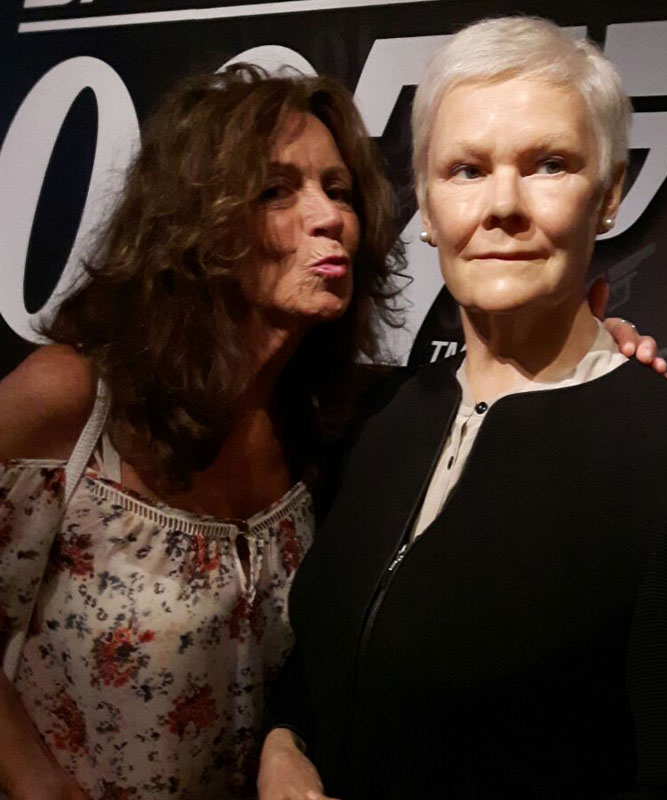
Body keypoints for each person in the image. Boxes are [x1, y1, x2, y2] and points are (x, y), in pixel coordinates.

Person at [257, 17, 667, 800]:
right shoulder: (379, 419)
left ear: (608, 196)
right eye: (466, 170)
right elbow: (331, 648)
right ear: (427, 206)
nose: (502, 206)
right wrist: (282, 742)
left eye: (549, 165)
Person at [0, 64, 405, 800]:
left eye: (338, 190)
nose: (329, 218)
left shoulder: (327, 424)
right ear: (196, 222)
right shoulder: (72, 399)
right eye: (277, 190)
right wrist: (38, 784)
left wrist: (603, 346)